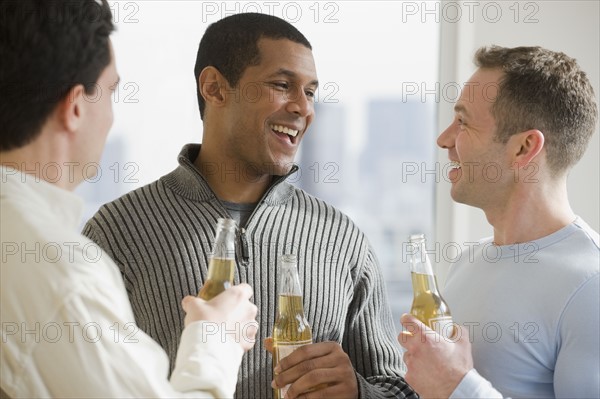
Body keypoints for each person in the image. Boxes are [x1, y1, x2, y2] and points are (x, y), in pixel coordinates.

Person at [83, 12, 416, 399]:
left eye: (309, 92)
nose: (303, 108)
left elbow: (397, 388)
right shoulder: (116, 232)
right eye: (282, 85)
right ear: (215, 89)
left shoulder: (342, 238)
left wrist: (358, 392)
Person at [0, 1, 258, 397]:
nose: (111, 116)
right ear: (73, 108)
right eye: (110, 92)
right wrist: (216, 338)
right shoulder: (63, 276)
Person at [399, 45, 600, 398]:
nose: (444, 139)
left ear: (523, 148)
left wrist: (458, 386)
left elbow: (454, 386)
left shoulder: (591, 287)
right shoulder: (466, 262)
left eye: (463, 122)